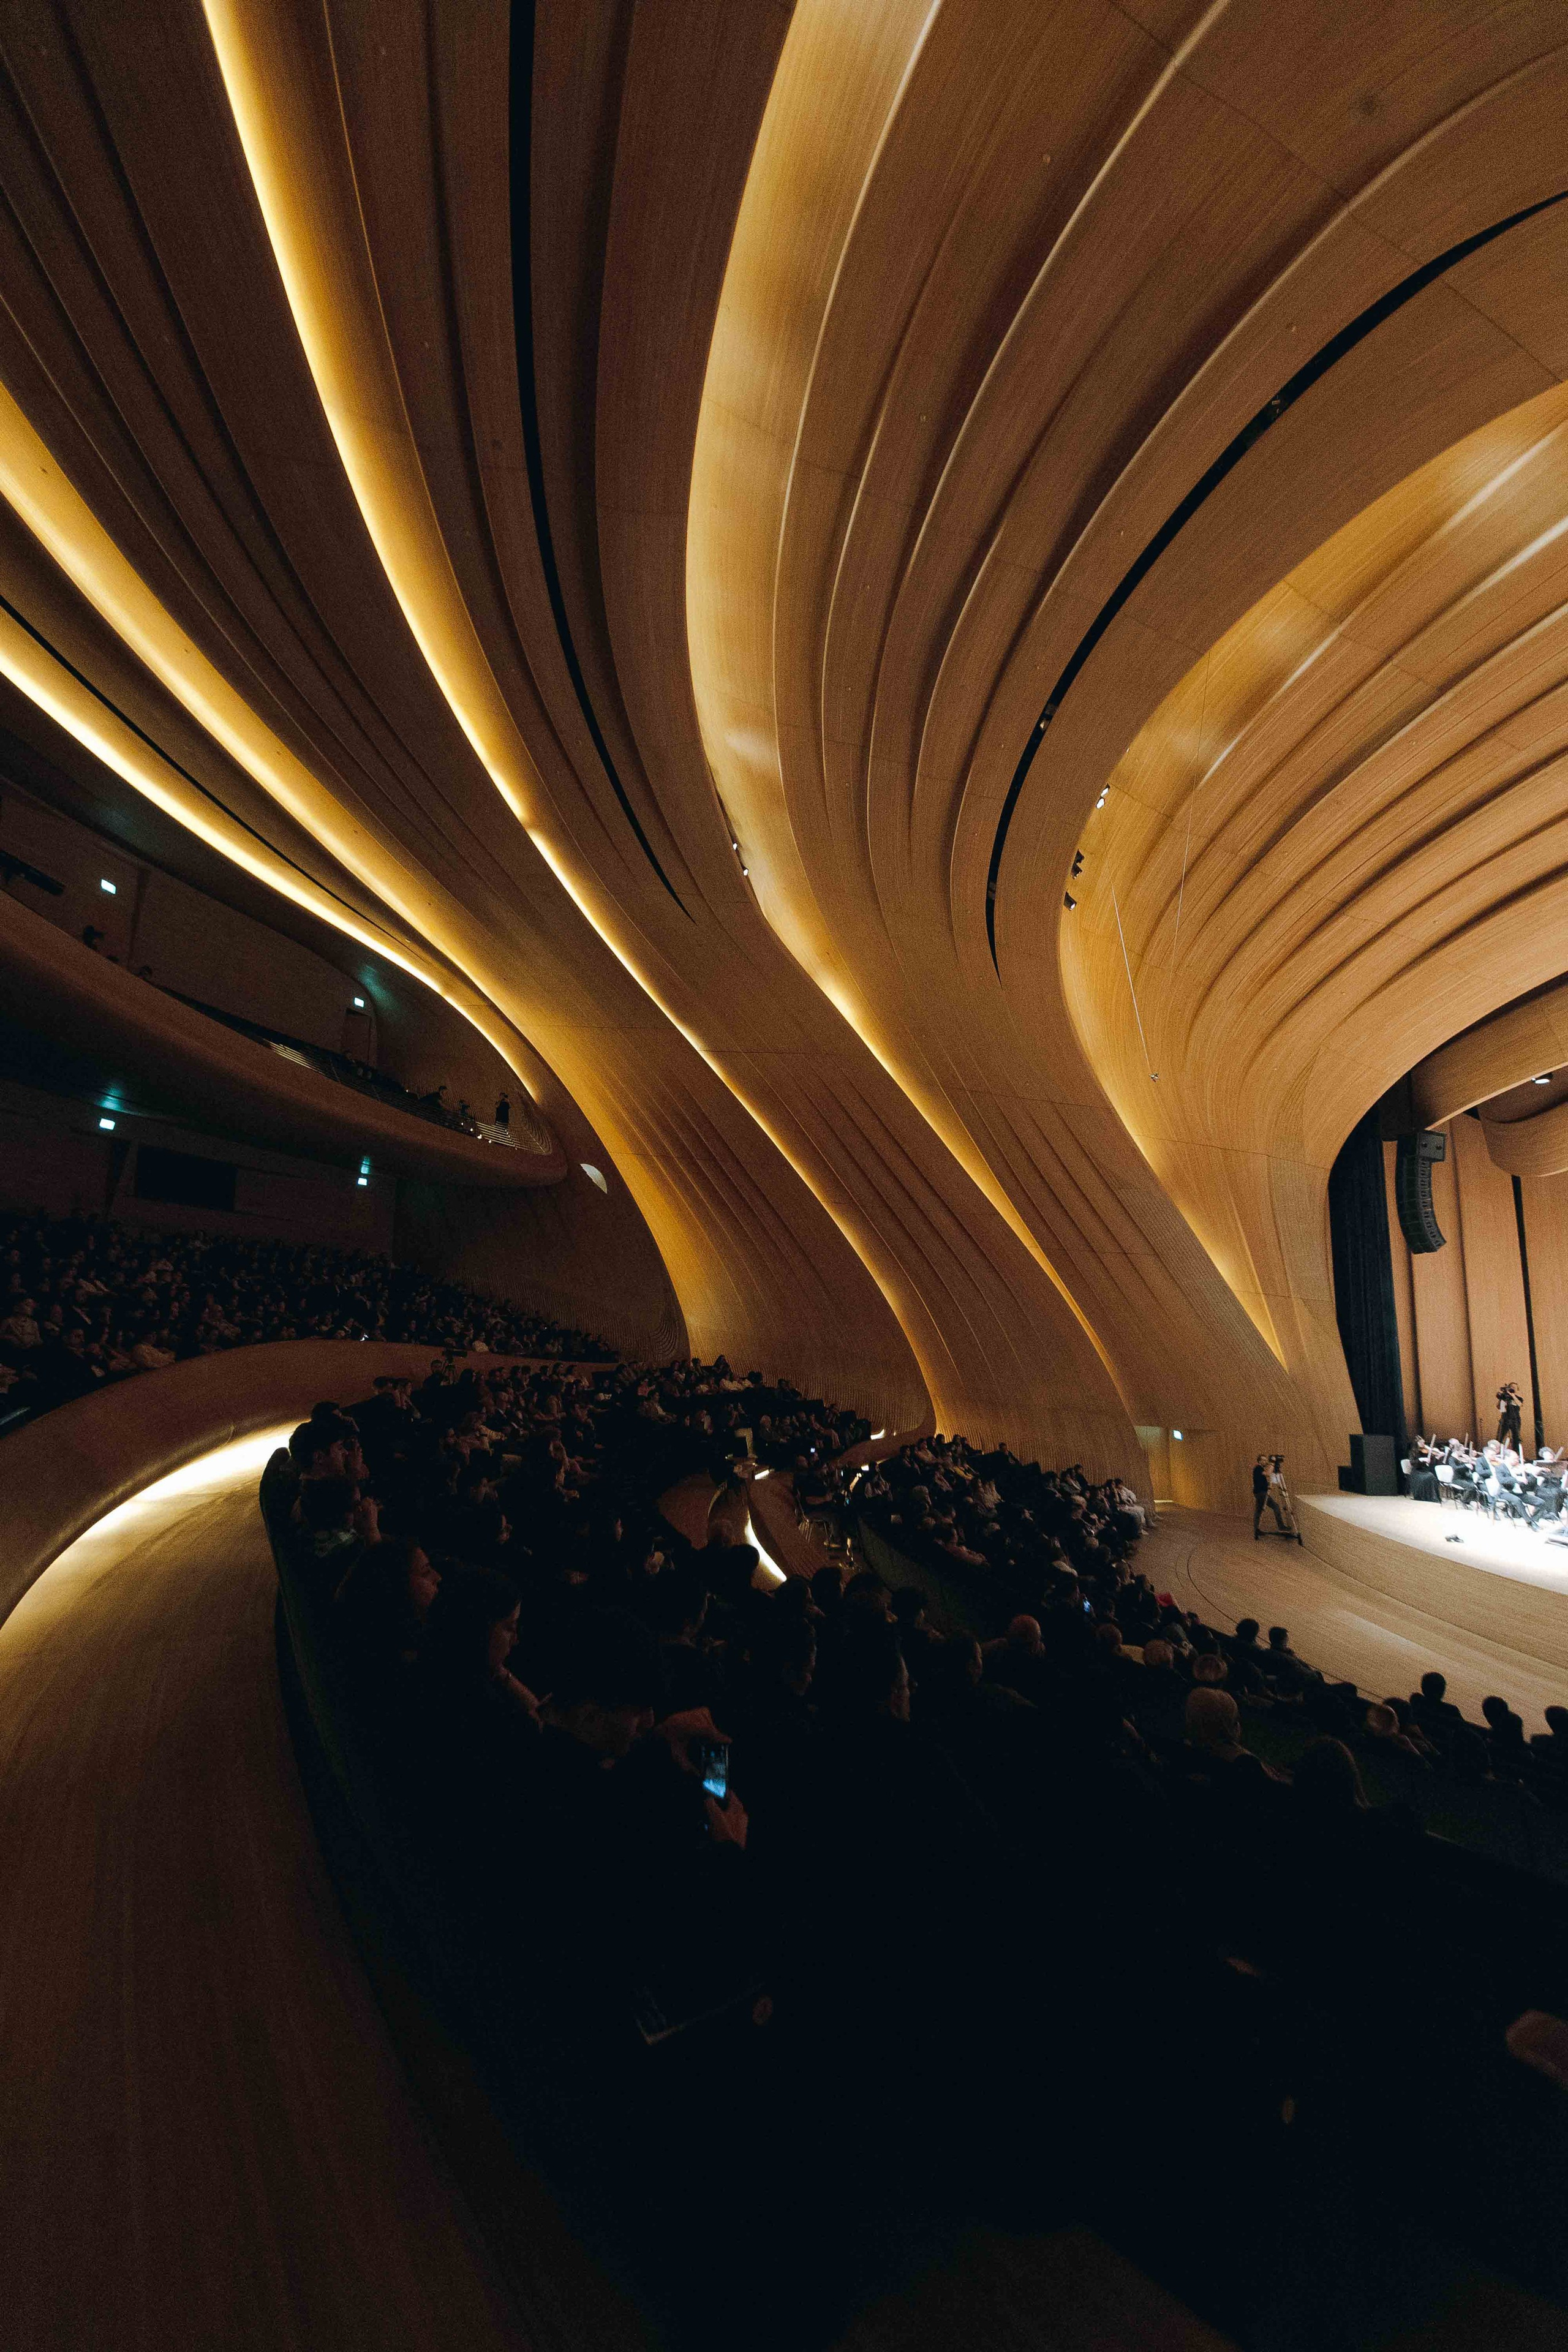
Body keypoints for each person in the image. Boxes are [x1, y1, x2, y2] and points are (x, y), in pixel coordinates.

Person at [1496, 1380, 1524, 1449]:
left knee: (1516, 1439)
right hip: (1505, 1419)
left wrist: (1513, 1395)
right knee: (1500, 1437)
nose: (1512, 1389)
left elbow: (1520, 1404)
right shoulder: (1505, 1397)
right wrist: (1502, 1400)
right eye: (1511, 1387)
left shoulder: (1519, 1398)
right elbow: (1501, 1409)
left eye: (1514, 1388)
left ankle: (1516, 1453)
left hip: (1515, 1420)